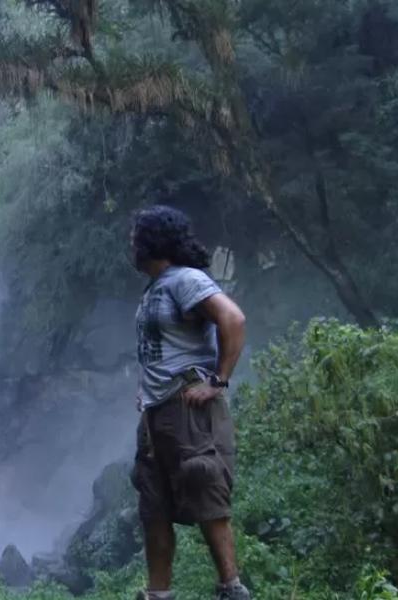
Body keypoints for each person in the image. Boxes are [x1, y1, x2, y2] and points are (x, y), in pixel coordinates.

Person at [128, 205, 250, 600]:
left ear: (152, 240)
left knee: (205, 487)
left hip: (188, 407)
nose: (131, 244)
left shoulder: (186, 279)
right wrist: (147, 387)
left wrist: (218, 381)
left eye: (135, 236)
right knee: (153, 506)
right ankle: (158, 594)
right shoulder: (155, 288)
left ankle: (231, 588)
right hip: (156, 411)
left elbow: (233, 319)